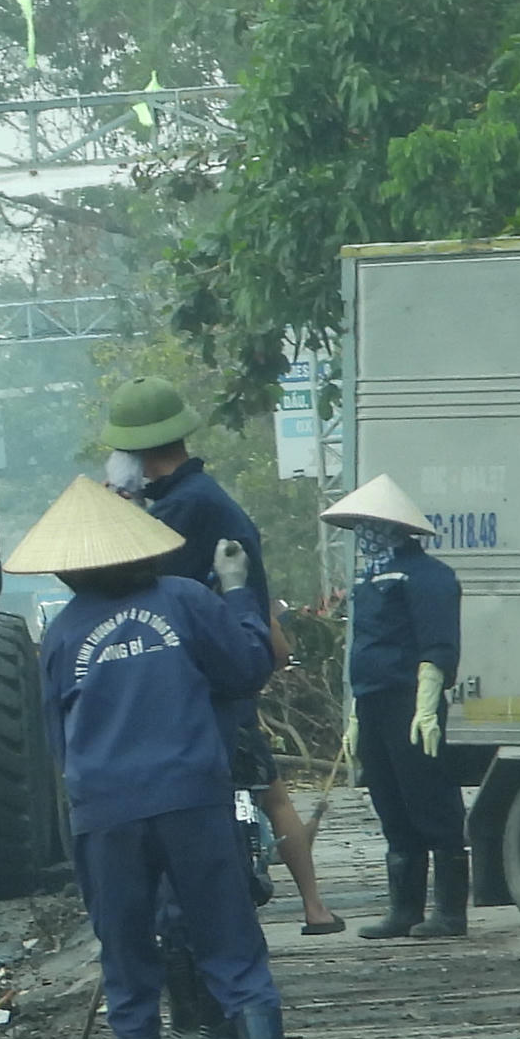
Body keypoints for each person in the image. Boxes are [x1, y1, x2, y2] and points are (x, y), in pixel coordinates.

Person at [18, 473, 304, 1039]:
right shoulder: (185, 601)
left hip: (106, 814)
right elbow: (247, 669)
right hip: (192, 798)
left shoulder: (62, 636)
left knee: (127, 971)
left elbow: (59, 744)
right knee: (233, 950)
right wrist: (237, 591)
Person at [103, 376, 341, 947]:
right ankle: (314, 906)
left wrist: (120, 510)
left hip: (204, 680)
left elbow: (134, 580)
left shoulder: (183, 509)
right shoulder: (203, 497)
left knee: (209, 800)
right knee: (271, 790)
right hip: (236, 663)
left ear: (136, 453)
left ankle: (218, 925)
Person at [328, 474, 469, 938]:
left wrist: (426, 706)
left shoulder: (428, 576)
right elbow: (363, 649)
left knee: (430, 800)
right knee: (390, 803)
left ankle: (449, 913)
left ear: (393, 527)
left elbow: (438, 643)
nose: (363, 534)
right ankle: (404, 909)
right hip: (372, 701)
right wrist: (355, 715)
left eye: (370, 524)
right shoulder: (368, 579)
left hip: (410, 702)